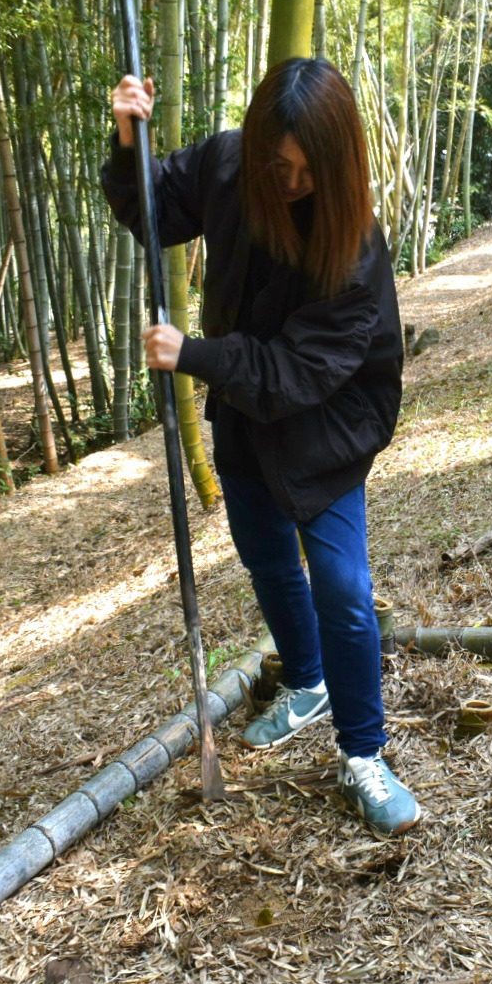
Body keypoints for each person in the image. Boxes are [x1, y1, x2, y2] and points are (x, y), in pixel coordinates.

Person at [101, 57, 420, 836]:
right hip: (246, 414)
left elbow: (295, 373)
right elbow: (154, 213)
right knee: (267, 560)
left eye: (309, 171)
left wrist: (195, 355)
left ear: (338, 163)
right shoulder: (231, 162)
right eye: (279, 164)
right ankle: (305, 681)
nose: (291, 183)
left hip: (324, 426)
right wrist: (127, 138)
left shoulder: (353, 251)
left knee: (342, 587)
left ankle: (364, 754)